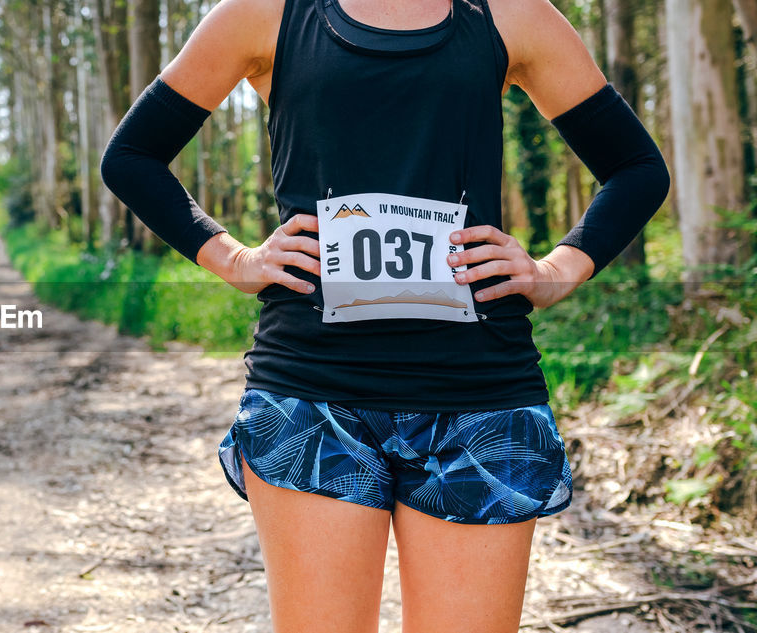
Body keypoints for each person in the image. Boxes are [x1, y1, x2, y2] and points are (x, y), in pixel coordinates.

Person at [99, 0, 670, 630]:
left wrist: (557, 270)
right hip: (313, 390)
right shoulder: (265, 14)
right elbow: (132, 156)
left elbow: (636, 168)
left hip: (478, 394)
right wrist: (232, 257)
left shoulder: (512, 15)